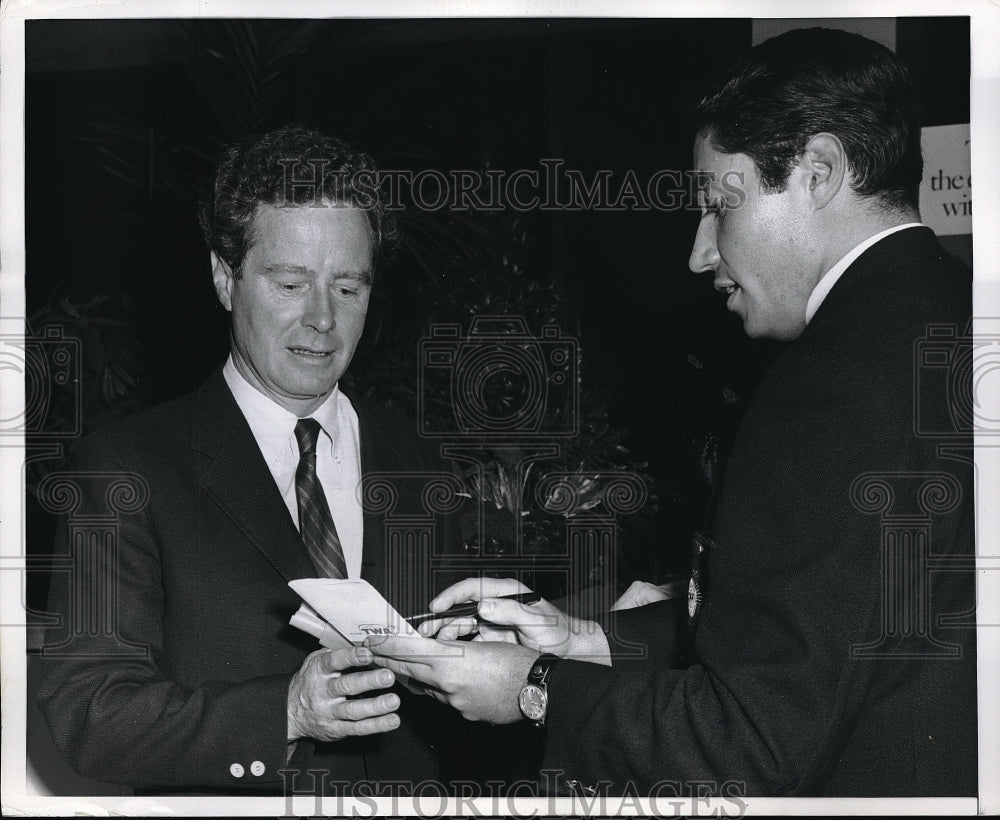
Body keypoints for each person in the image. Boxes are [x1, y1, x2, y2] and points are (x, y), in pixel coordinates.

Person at [365, 27, 977, 797]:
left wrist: (538, 686)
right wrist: (590, 640)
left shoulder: (831, 383)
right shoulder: (958, 317)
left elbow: (749, 745)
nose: (699, 252)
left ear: (820, 171)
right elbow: (836, 634)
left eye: (719, 205)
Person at [35, 125, 469, 795]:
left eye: (348, 288)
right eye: (291, 284)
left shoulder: (421, 462)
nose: (322, 320)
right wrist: (286, 712)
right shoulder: (124, 469)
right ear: (224, 277)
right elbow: (91, 715)